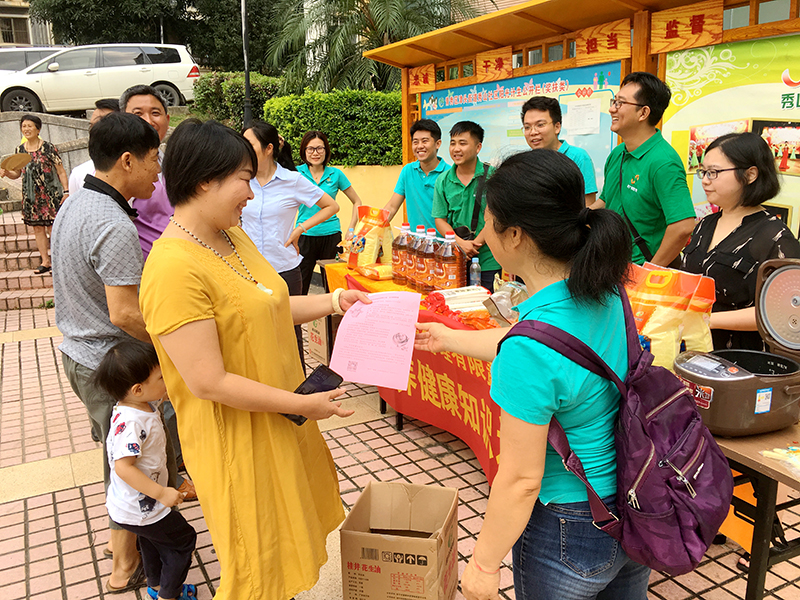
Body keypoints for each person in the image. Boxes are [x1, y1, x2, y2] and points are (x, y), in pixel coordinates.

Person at [139, 118, 370, 600]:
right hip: (236, 436)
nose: (251, 192)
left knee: (286, 541)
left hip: (276, 416)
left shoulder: (230, 234)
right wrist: (303, 404)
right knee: (257, 559)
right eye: (245, 179)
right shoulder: (172, 268)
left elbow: (270, 304)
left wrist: (333, 302)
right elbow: (208, 381)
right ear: (205, 180)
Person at [415, 150, 651, 600]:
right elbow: (550, 350)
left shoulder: (531, 345)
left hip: (570, 522)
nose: (483, 232)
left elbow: (521, 480)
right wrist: (447, 339)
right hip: (635, 497)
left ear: (516, 235)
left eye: (488, 220)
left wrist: (483, 565)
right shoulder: (605, 291)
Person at [51, 112, 161, 594]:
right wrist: (171, 340)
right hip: (109, 360)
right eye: (154, 159)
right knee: (128, 458)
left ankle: (124, 539)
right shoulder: (112, 222)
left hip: (78, 353)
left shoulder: (73, 204)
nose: (158, 172)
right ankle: (123, 562)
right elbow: (123, 313)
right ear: (126, 160)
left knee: (117, 450)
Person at [93, 340, 197, 600]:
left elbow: (162, 396)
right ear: (138, 389)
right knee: (183, 541)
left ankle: (156, 584)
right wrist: (161, 493)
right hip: (143, 507)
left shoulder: (136, 405)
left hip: (130, 508)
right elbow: (123, 469)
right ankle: (168, 594)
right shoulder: (132, 422)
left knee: (151, 544)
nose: (166, 380)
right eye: (161, 377)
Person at [682, 132, 800, 350]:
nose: (705, 180)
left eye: (714, 172)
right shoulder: (705, 224)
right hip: (692, 349)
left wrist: (708, 320)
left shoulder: (774, 236)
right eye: (703, 172)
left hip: (741, 359)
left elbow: (785, 312)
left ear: (750, 175)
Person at [240, 121, 339, 370]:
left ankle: (297, 398)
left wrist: (299, 229)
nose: (243, 149)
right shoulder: (241, 180)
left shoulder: (292, 180)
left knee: (290, 337)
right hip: (248, 271)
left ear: (268, 148)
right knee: (252, 334)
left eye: (249, 144)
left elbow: (331, 206)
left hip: (284, 270)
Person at [592, 72, 695, 267]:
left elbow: (683, 226)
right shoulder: (618, 153)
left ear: (643, 113)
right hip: (614, 265)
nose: (612, 109)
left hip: (643, 271)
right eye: (614, 101)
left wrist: (651, 272)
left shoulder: (663, 162)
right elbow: (607, 200)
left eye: (620, 103)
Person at [432, 121, 501, 290]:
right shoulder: (443, 180)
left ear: (478, 147)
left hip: (489, 260)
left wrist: (474, 245)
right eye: (453, 143)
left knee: (486, 308)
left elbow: (497, 217)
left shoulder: (494, 176)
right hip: (456, 259)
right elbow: (440, 219)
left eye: (463, 143)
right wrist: (460, 243)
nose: (456, 149)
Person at [296, 130, 363, 294]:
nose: (315, 153)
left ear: (326, 150)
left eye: (320, 148)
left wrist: (352, 229)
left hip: (331, 235)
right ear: (304, 151)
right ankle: (297, 320)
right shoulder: (296, 173)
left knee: (333, 287)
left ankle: (332, 320)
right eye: (310, 149)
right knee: (300, 286)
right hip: (304, 235)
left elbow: (357, 202)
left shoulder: (336, 174)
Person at [0, 114, 68, 274]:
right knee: (37, 228)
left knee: (53, 228)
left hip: (51, 195)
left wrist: (66, 191)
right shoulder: (19, 150)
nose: (26, 129)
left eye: (30, 126)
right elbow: (17, 173)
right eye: (24, 126)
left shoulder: (49, 148)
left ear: (38, 129)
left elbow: (61, 171)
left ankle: (58, 261)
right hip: (31, 197)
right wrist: (7, 173)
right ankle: (45, 261)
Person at [521, 96, 597, 206]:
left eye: (540, 125)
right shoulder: (525, 162)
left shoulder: (578, 157)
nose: (533, 132)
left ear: (557, 127)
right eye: (527, 127)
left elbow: (588, 206)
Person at [383, 119, 448, 230]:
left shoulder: (449, 174)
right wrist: (370, 230)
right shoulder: (407, 171)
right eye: (415, 142)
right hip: (415, 244)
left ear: (438, 144)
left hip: (442, 244)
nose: (419, 146)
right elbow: (392, 207)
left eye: (425, 141)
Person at [68, 98, 121, 193]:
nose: (95, 132)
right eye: (92, 126)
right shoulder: (79, 174)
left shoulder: (150, 171)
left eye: (103, 126)